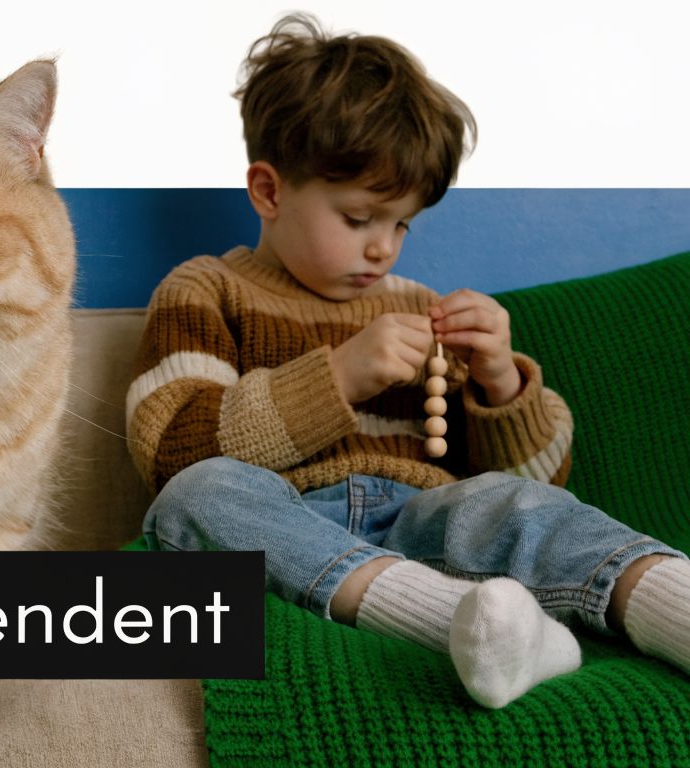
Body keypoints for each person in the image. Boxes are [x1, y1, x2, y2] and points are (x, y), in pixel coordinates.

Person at [126, 13, 690, 708]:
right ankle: (454, 622)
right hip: (290, 524)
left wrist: (499, 381)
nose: (383, 248)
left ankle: (663, 601)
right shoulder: (204, 289)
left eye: (402, 224)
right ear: (270, 192)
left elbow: (534, 478)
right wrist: (336, 377)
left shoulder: (418, 305)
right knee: (195, 499)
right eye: (359, 218)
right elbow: (171, 448)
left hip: (424, 514)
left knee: (518, 505)